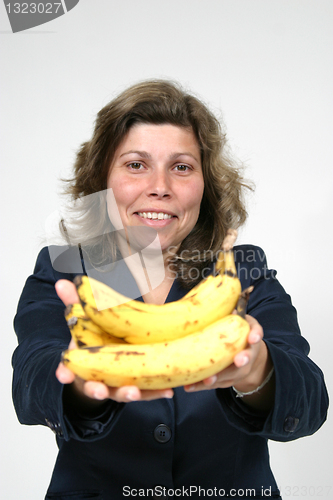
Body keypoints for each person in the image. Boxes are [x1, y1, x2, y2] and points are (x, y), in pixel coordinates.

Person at [12, 80, 328, 500]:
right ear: (103, 180)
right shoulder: (66, 272)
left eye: (181, 166)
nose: (159, 186)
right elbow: (30, 386)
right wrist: (80, 385)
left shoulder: (241, 272)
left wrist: (259, 373)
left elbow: (310, 402)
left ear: (205, 184)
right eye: (136, 164)